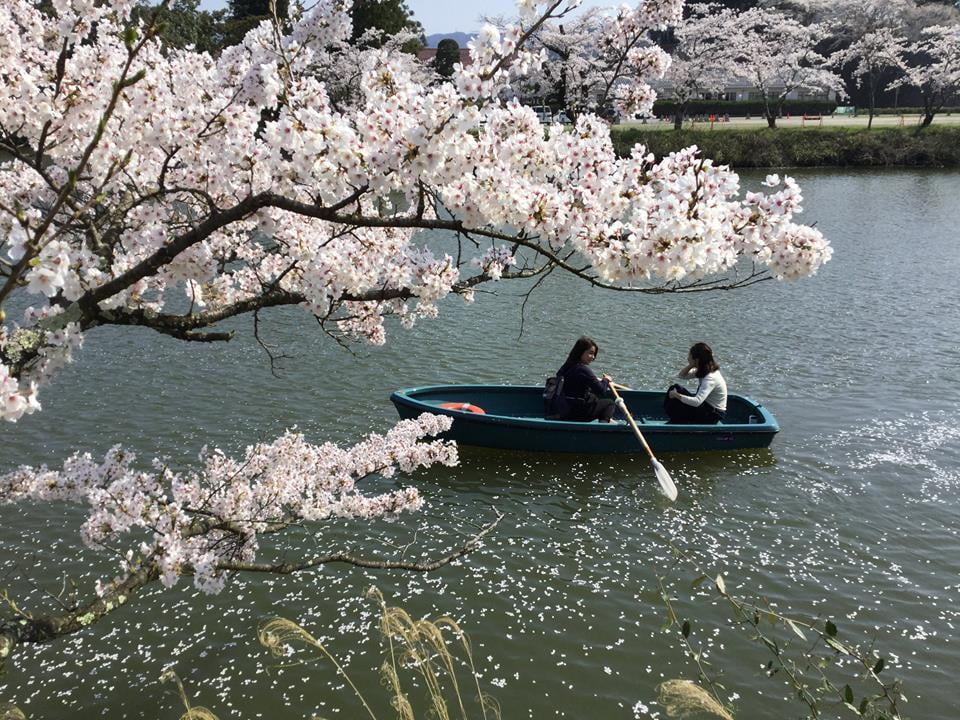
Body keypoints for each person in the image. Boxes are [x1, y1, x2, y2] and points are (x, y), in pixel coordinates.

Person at [554, 336, 617, 422]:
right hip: (578, 413)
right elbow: (601, 391)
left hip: (563, 410)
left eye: (594, 354)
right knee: (609, 403)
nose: (593, 357)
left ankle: (606, 419)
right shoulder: (583, 369)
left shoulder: (567, 365)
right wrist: (606, 380)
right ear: (580, 352)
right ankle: (603, 426)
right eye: (590, 353)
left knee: (592, 397)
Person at [664, 342, 727, 424]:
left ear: (696, 360)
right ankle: (678, 420)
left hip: (712, 414)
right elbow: (682, 376)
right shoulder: (704, 370)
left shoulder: (710, 378)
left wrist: (676, 395)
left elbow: (697, 402)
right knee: (675, 388)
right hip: (706, 407)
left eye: (689, 356)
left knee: (676, 394)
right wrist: (691, 365)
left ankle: (679, 422)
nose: (687, 359)